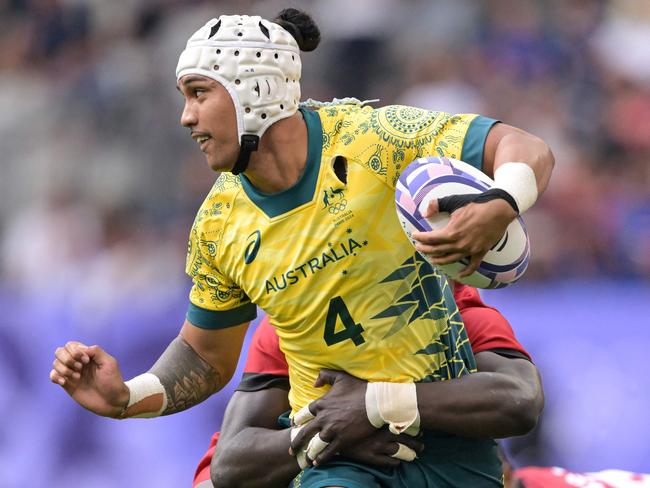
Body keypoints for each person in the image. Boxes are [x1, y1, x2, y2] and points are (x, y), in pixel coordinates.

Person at [50, 8, 554, 487]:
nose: (186, 117)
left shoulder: (374, 138)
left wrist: (501, 201)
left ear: (255, 89)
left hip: (450, 443)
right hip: (338, 455)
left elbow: (526, 148)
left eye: (199, 93)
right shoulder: (217, 224)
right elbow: (205, 357)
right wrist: (127, 397)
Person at [194, 283, 543, 487]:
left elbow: (519, 401)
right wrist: (334, 436)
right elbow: (223, 470)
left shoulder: (458, 312)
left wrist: (374, 404)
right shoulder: (290, 325)